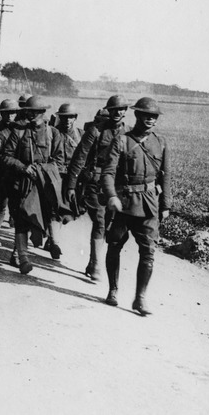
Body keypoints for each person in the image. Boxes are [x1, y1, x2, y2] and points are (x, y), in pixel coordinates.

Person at [100, 97, 170, 316]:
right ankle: (113, 289)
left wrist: (165, 204)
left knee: (148, 252)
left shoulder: (161, 142)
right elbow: (108, 172)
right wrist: (112, 196)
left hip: (149, 205)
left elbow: (166, 176)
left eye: (154, 117)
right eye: (146, 115)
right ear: (137, 116)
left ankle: (140, 298)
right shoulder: (121, 141)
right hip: (124, 203)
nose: (150, 120)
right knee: (114, 244)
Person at [65, 96, 129, 281]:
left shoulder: (128, 133)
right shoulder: (96, 131)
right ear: (108, 110)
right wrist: (71, 185)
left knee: (110, 223)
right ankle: (96, 265)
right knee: (100, 220)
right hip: (95, 182)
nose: (118, 113)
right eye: (114, 109)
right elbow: (79, 158)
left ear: (126, 111)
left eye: (121, 109)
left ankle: (94, 261)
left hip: (116, 184)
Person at [1, 96, 64, 274]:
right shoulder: (18, 132)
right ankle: (23, 258)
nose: (31, 115)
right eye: (29, 112)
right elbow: (6, 156)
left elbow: (59, 160)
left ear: (43, 113)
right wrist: (23, 167)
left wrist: (43, 170)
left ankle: (50, 243)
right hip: (21, 184)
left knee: (44, 216)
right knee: (21, 219)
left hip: (44, 185)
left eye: (35, 112)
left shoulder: (53, 134)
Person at [0, 99, 21, 252]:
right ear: (1, 113)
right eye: (6, 113)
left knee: (13, 207)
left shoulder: (21, 130)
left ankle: (16, 245)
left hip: (13, 173)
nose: (9, 116)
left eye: (12, 113)